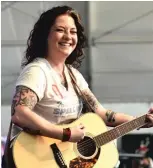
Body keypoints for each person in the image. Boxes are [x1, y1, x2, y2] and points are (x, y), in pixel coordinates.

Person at [2, 5, 153, 168]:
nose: (68, 36)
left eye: (73, 32)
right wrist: (65, 134)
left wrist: (139, 121)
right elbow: (20, 114)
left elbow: (101, 114)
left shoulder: (74, 75)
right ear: (45, 35)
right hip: (34, 158)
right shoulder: (37, 71)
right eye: (60, 30)